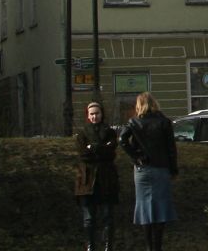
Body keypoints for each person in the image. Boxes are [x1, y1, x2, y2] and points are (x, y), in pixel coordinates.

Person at [118, 91, 179, 250]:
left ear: (139, 106)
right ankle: (157, 246)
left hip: (142, 169)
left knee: (145, 208)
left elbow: (122, 140)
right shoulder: (164, 122)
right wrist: (173, 168)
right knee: (161, 208)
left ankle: (148, 246)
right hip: (161, 168)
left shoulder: (134, 122)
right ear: (154, 104)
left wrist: (135, 155)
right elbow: (171, 148)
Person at [73, 101, 120, 251]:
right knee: (89, 218)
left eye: (97, 113)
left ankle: (108, 246)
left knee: (108, 217)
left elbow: (111, 152)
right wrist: (100, 149)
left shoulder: (110, 132)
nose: (95, 116)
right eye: (92, 114)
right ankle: (90, 247)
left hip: (106, 179)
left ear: (102, 114)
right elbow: (83, 155)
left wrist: (93, 148)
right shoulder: (82, 134)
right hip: (87, 180)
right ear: (88, 116)